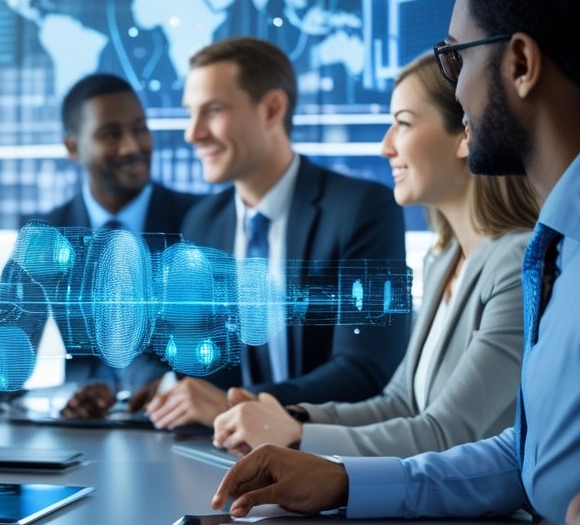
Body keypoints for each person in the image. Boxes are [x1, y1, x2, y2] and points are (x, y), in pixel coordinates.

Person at [210, 0, 580, 525]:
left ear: (522, 65)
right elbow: (523, 456)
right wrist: (342, 476)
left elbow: (449, 427)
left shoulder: (540, 249)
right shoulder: (554, 246)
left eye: (455, 58)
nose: (459, 89)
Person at [213, 52, 538, 457]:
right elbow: (399, 404)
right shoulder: (443, 261)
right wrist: (290, 417)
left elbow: (447, 434)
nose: (386, 146)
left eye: (402, 123)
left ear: (465, 134)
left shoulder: (516, 264)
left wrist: (296, 437)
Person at [146, 36, 410, 429]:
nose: (193, 133)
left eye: (213, 111)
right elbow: (203, 363)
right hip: (225, 453)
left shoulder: (361, 209)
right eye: (190, 113)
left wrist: (244, 407)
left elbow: (366, 370)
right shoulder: (202, 224)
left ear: (272, 109)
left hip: (330, 453)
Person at [18, 72, 201, 417]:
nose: (132, 147)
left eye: (139, 129)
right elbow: (2, 365)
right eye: (111, 134)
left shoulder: (201, 221)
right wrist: (66, 397)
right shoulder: (46, 236)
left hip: (182, 426)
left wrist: (162, 381)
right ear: (73, 147)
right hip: (83, 428)